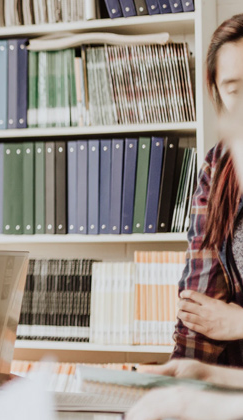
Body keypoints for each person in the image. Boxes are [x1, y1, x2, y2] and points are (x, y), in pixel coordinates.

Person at [173, 13, 243, 367]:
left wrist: (237, 322)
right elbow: (199, 299)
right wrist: (181, 373)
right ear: (217, 92)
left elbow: (226, 320)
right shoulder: (219, 166)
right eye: (235, 89)